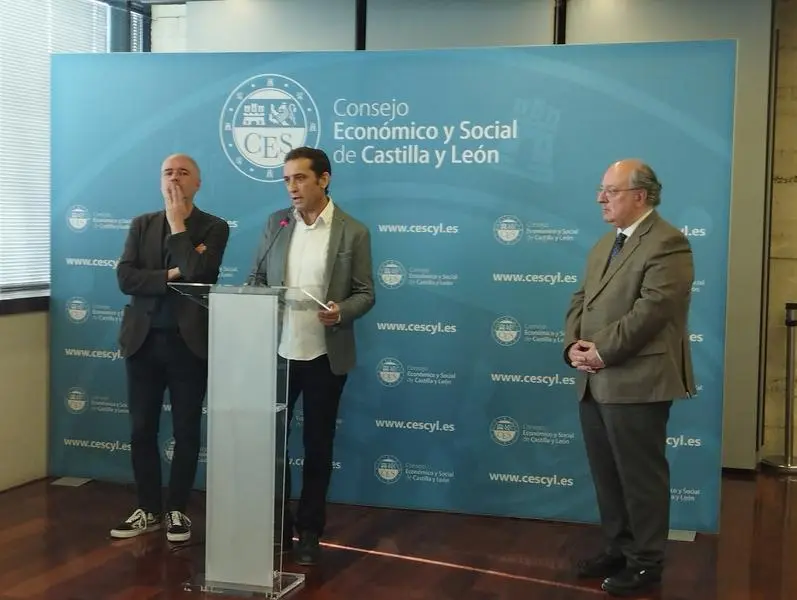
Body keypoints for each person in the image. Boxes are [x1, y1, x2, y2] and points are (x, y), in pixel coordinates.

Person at [563, 159, 696, 597]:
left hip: (638, 380)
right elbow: (580, 299)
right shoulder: (606, 243)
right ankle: (619, 549)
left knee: (640, 478)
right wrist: (573, 346)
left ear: (640, 195)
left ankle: (646, 563)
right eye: (601, 190)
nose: (601, 198)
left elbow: (652, 312)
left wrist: (600, 351)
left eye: (611, 191)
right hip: (593, 380)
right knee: (607, 476)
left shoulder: (668, 243)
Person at [246, 146, 375, 566]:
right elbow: (256, 277)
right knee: (274, 446)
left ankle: (310, 531)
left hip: (324, 355)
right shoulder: (277, 224)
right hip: (279, 353)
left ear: (324, 179)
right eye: (287, 180)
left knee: (318, 445)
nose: (292, 187)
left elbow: (365, 293)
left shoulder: (353, 232)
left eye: (300, 178)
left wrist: (341, 311)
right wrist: (256, 300)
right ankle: (278, 527)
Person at [111, 153, 230, 543]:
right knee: (141, 429)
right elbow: (125, 278)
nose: (174, 179)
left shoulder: (214, 227)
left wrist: (178, 225)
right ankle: (148, 509)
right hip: (142, 342)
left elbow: (201, 275)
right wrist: (172, 273)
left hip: (188, 344)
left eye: (183, 173)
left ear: (198, 183)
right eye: (167, 172)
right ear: (160, 181)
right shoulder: (141, 224)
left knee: (186, 429)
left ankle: (177, 509)